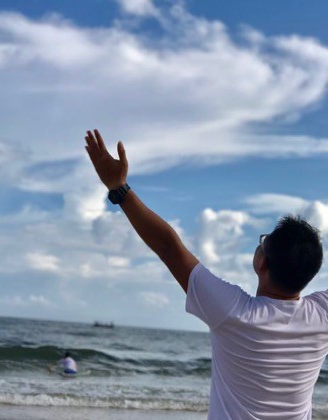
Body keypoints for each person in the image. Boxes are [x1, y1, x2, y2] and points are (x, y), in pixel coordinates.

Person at [85, 129, 328, 419]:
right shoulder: (322, 316)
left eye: (263, 242)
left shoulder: (233, 312)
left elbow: (169, 247)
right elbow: (169, 247)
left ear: (262, 263)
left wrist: (119, 188)